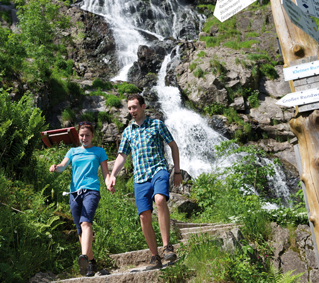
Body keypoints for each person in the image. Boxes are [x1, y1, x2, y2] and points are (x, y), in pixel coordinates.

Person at [108, 94, 182, 270]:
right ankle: (154, 256)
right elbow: (122, 156)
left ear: (143, 106)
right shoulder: (128, 131)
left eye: (135, 107)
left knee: (160, 199)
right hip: (140, 177)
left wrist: (177, 171)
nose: (132, 111)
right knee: (144, 216)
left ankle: (166, 247)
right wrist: (113, 175)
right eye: (130, 108)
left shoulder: (157, 125)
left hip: (158, 170)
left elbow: (173, 146)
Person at [49, 122, 113, 277]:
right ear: (78, 136)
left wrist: (109, 183)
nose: (84, 138)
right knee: (80, 231)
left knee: (86, 223)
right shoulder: (73, 151)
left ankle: (83, 256)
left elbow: (105, 173)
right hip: (74, 193)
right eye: (82, 135)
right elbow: (63, 166)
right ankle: (91, 262)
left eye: (87, 135)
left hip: (91, 191)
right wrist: (56, 167)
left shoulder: (99, 151)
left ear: (93, 136)